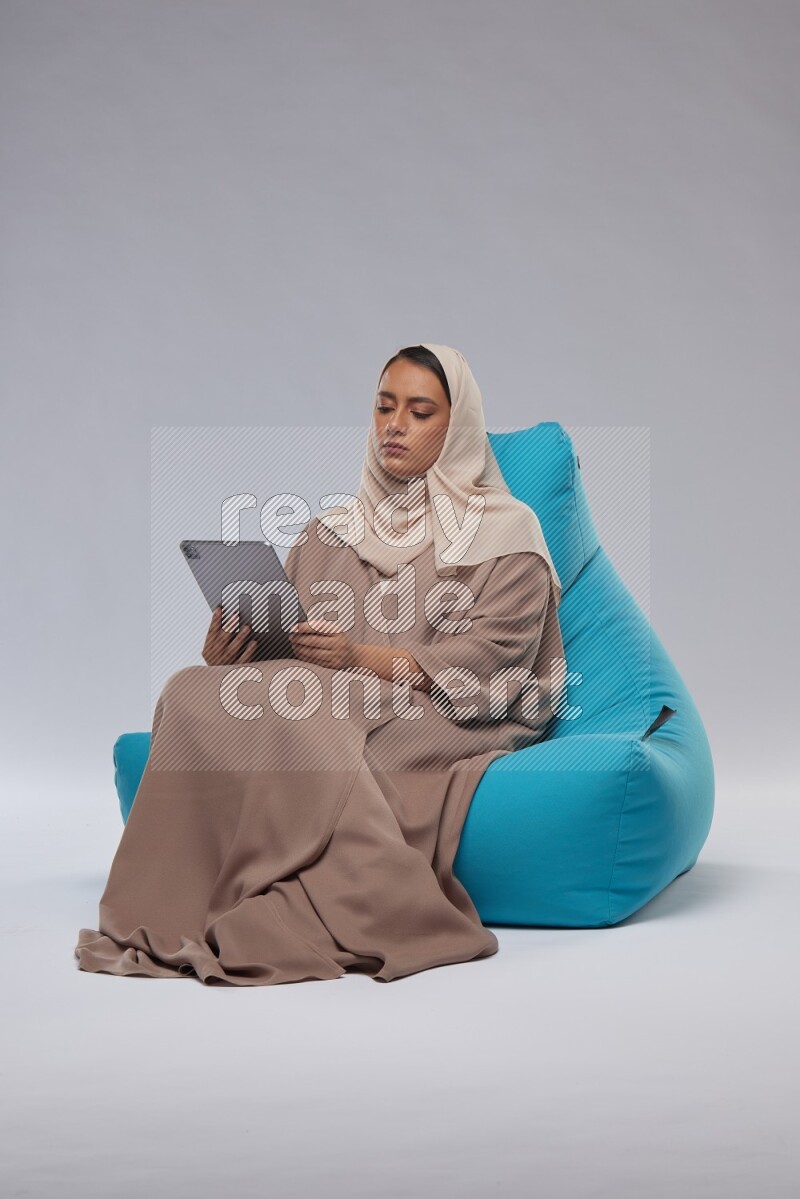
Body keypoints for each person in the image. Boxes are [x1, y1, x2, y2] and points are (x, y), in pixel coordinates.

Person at [74, 342, 565, 986]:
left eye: (420, 412)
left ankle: (322, 900)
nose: (395, 425)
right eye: (385, 407)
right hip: (329, 702)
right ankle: (175, 894)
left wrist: (361, 658)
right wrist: (232, 655)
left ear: (458, 428)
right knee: (191, 690)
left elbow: (495, 663)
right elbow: (292, 655)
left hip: (447, 706)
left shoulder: (507, 532)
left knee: (316, 719)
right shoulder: (331, 531)